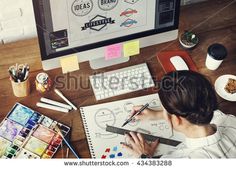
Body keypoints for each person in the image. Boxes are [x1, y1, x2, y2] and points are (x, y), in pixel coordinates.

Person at [121, 71, 236, 158]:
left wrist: (144, 157)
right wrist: (158, 115)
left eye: (164, 110)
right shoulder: (229, 121)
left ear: (176, 120)